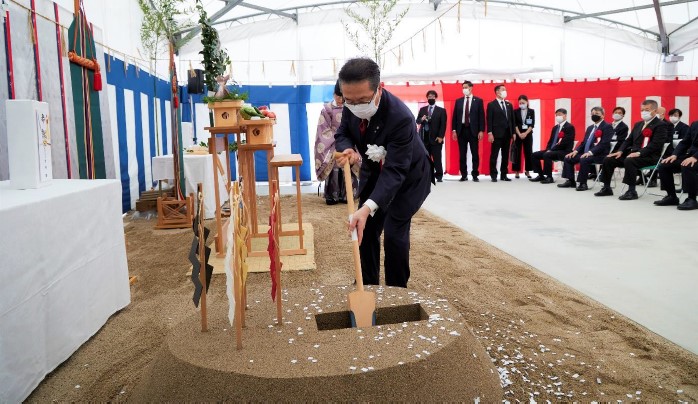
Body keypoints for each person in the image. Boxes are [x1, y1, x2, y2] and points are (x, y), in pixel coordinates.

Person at [334, 57, 432, 288]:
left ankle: (397, 291)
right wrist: (346, 148)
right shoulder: (351, 104)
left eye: (363, 100)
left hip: (409, 177)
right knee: (365, 229)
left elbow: (395, 171)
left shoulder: (401, 117)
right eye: (349, 101)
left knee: (395, 232)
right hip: (375, 173)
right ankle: (367, 285)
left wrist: (368, 207)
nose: (356, 106)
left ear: (379, 88)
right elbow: (343, 132)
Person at [594, 99, 668, 200]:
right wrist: (620, 151)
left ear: (655, 111)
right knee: (609, 159)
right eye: (642, 110)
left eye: (647, 109)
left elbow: (656, 145)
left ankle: (632, 191)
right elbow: (628, 140)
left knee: (630, 160)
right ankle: (606, 188)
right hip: (633, 154)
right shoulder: (638, 124)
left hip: (650, 156)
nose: (644, 112)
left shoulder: (661, 125)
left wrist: (639, 153)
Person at [315, 80, 359, 205]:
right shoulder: (327, 109)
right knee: (334, 166)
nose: (340, 99)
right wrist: (337, 140)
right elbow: (323, 129)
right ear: (334, 94)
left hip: (349, 142)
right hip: (332, 144)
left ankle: (348, 195)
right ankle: (332, 196)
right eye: (337, 95)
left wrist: (348, 141)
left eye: (342, 96)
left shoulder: (351, 108)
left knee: (349, 164)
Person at [558, 106, 613, 191]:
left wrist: (590, 152)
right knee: (568, 157)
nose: (594, 115)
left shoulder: (607, 126)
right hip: (585, 153)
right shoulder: (590, 128)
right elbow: (584, 143)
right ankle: (570, 181)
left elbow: (604, 144)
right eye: (593, 114)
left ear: (603, 115)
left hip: (599, 154)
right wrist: (575, 151)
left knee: (584, 159)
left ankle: (583, 183)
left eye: (597, 114)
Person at [653, 120, 698, 210]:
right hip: (691, 155)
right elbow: (685, 142)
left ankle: (692, 199)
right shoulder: (695, 124)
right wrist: (674, 155)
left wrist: (695, 157)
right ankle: (671, 196)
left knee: (687, 166)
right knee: (664, 165)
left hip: (695, 157)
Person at [529, 108, 575, 184]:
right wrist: (548, 148)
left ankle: (549, 177)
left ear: (565, 116)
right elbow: (550, 141)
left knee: (547, 154)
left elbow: (564, 143)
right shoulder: (555, 128)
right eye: (556, 115)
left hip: (564, 151)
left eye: (560, 115)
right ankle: (540, 175)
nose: (558, 116)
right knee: (534, 155)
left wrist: (551, 150)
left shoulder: (569, 127)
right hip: (552, 150)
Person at [451, 81, 485, 181]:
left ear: (471, 88)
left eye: (466, 87)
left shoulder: (478, 101)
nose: (464, 89)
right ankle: (464, 174)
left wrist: (481, 130)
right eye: (463, 87)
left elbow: (481, 117)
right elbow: (455, 117)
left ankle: (475, 174)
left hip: (473, 130)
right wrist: (454, 130)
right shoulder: (459, 101)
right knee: (462, 154)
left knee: (475, 153)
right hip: (461, 130)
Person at [486, 85, 515, 182]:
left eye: (505, 89)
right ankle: (493, 174)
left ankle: (504, 174)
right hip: (496, 134)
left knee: (505, 155)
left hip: (507, 134)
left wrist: (513, 132)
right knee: (494, 155)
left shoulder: (508, 105)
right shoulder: (491, 105)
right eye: (503, 90)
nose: (505, 91)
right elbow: (489, 120)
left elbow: (512, 120)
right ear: (497, 92)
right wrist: (490, 133)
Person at [417, 90, 447, 182]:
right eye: (429, 96)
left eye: (433, 96)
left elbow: (443, 125)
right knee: (426, 158)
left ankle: (439, 176)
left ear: (435, 98)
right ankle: (427, 175)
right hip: (424, 138)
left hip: (436, 138)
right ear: (427, 98)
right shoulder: (422, 110)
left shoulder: (441, 110)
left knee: (437, 158)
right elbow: (417, 121)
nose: (431, 98)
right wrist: (421, 119)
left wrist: (441, 136)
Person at [512, 95, 535, 178]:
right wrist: (519, 134)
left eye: (523, 103)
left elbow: (532, 124)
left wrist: (525, 133)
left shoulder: (531, 111)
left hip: (528, 134)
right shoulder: (515, 111)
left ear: (527, 102)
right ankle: (517, 171)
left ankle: (528, 171)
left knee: (528, 152)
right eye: (520, 103)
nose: (521, 104)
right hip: (518, 134)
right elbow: (514, 124)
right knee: (517, 152)